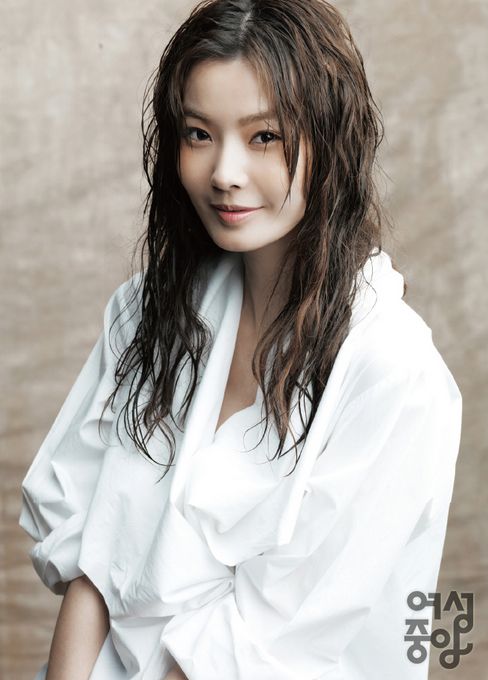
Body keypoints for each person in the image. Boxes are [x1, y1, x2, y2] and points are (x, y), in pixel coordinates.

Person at [19, 1, 463, 679]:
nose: (224, 172)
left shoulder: (394, 373)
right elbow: (91, 566)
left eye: (264, 137)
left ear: (331, 139)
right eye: (199, 133)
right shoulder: (146, 312)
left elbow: (264, 644)